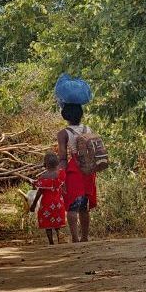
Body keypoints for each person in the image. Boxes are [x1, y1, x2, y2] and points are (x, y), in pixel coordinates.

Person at [58, 101, 99, 242]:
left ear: (65, 115)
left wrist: (61, 177)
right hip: (88, 171)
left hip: (74, 171)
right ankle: (85, 238)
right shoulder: (88, 129)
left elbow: (63, 159)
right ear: (81, 114)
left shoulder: (63, 133)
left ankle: (75, 238)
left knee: (72, 206)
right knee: (84, 207)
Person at [29, 151, 67, 245]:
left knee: (47, 225)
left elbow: (39, 192)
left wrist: (34, 204)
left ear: (45, 164)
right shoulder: (60, 174)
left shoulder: (43, 177)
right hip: (58, 203)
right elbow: (64, 188)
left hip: (46, 203)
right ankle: (59, 236)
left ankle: (51, 242)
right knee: (57, 222)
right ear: (57, 163)